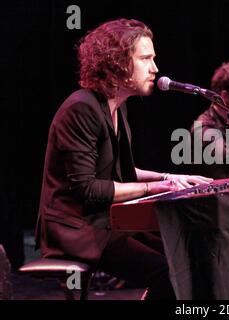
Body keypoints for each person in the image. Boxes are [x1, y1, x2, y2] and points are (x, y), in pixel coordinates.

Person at [34, 18, 212, 300]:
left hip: (105, 222)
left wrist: (169, 178)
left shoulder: (116, 108)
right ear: (116, 62)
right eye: (145, 58)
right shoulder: (82, 108)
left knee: (185, 254)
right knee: (166, 272)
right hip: (76, 228)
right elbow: (89, 189)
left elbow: (122, 172)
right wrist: (154, 188)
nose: (155, 68)